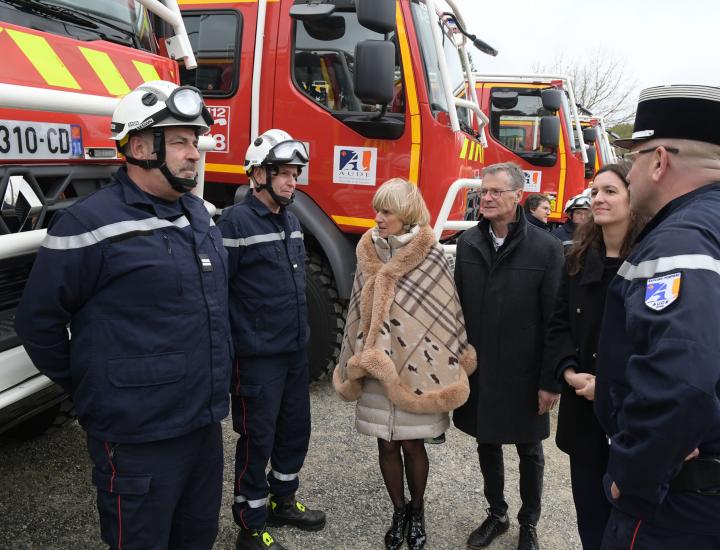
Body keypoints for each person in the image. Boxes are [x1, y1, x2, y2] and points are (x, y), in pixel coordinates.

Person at [14, 81, 230, 549]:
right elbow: (38, 322)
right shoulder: (88, 224)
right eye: (179, 142)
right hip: (136, 436)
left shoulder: (200, 216)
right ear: (138, 146)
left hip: (202, 427)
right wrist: (93, 384)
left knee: (197, 538)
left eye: (195, 142)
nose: (194, 154)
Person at [595, 85, 720, 548]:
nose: (631, 172)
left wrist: (634, 477)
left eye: (633, 157)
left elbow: (683, 383)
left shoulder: (683, 239)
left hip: (680, 508)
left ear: (658, 161)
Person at [333, 178, 476, 550]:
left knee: (413, 445)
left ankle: (417, 509)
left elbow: (446, 312)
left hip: (417, 370)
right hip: (375, 364)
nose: (378, 218)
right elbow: (357, 309)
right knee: (385, 444)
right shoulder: (369, 249)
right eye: (377, 209)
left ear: (407, 214)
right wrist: (357, 354)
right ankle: (398, 511)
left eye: (387, 211)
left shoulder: (430, 254)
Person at [218, 130, 325, 550]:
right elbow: (219, 291)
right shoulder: (234, 223)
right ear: (258, 174)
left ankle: (284, 500)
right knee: (257, 437)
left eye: (295, 174)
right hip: (257, 357)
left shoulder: (292, 220)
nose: (292, 182)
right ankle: (250, 523)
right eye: (283, 174)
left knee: (294, 428)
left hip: (292, 350)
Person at [453, 162, 564, 550]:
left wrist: (551, 381)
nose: (486, 197)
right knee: (487, 442)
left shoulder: (546, 248)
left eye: (496, 191)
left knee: (529, 450)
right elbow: (457, 311)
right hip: (482, 370)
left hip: (525, 372)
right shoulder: (468, 244)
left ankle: (528, 523)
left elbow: (556, 320)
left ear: (518, 196)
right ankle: (496, 514)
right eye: (484, 190)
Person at [543, 162, 643, 550]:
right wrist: (568, 372)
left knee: (629, 520)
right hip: (583, 414)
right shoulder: (578, 258)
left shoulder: (655, 262)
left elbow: (658, 344)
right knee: (590, 517)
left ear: (633, 199)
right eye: (595, 191)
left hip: (630, 415)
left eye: (610, 191)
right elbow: (558, 324)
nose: (597, 198)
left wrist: (609, 385)